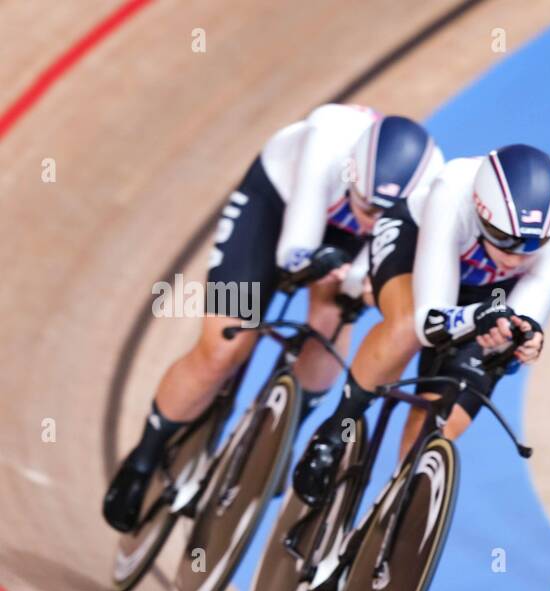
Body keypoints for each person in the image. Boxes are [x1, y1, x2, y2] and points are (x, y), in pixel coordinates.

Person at [102, 104, 442, 532]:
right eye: (366, 206)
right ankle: (144, 457)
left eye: (383, 215)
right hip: (275, 204)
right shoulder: (328, 142)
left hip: (348, 241)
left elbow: (385, 268)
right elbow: (293, 249)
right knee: (223, 348)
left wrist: (356, 282)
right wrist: (316, 260)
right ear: (352, 175)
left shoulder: (431, 193)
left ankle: (284, 432)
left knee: (334, 312)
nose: (371, 220)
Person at [290, 143, 550, 506]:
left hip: (486, 293)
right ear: (481, 211)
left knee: (448, 409)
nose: (517, 254)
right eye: (505, 239)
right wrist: (479, 317)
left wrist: (522, 340)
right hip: (415, 247)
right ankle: (333, 433)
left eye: (534, 244)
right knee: (407, 326)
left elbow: (521, 317)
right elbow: (430, 320)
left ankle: (395, 502)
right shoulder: (452, 191)